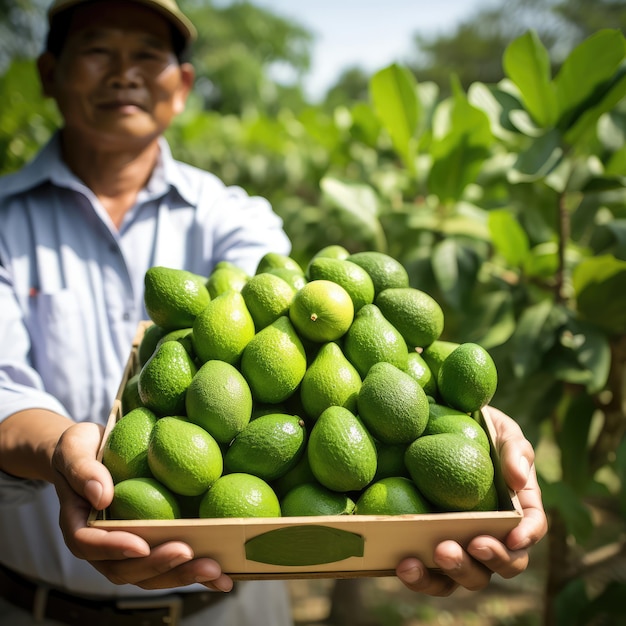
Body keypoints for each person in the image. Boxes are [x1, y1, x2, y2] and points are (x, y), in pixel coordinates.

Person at [0, 1, 548, 624]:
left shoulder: (232, 212)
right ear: (48, 73)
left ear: (181, 87)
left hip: (232, 606)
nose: (125, 72)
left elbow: (283, 294)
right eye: (98, 49)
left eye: (148, 54)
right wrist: (58, 450)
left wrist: (471, 425)